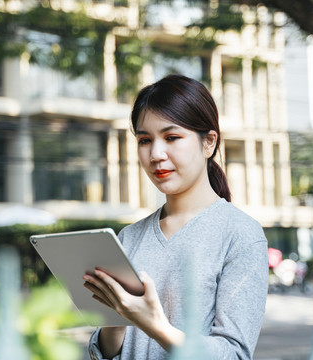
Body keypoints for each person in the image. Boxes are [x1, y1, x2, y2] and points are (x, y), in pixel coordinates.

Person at [84, 74, 269, 359]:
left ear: (208, 143)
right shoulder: (128, 237)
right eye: (145, 140)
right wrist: (116, 320)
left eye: (171, 137)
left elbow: (233, 355)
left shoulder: (241, 235)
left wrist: (153, 324)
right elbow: (105, 352)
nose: (156, 154)